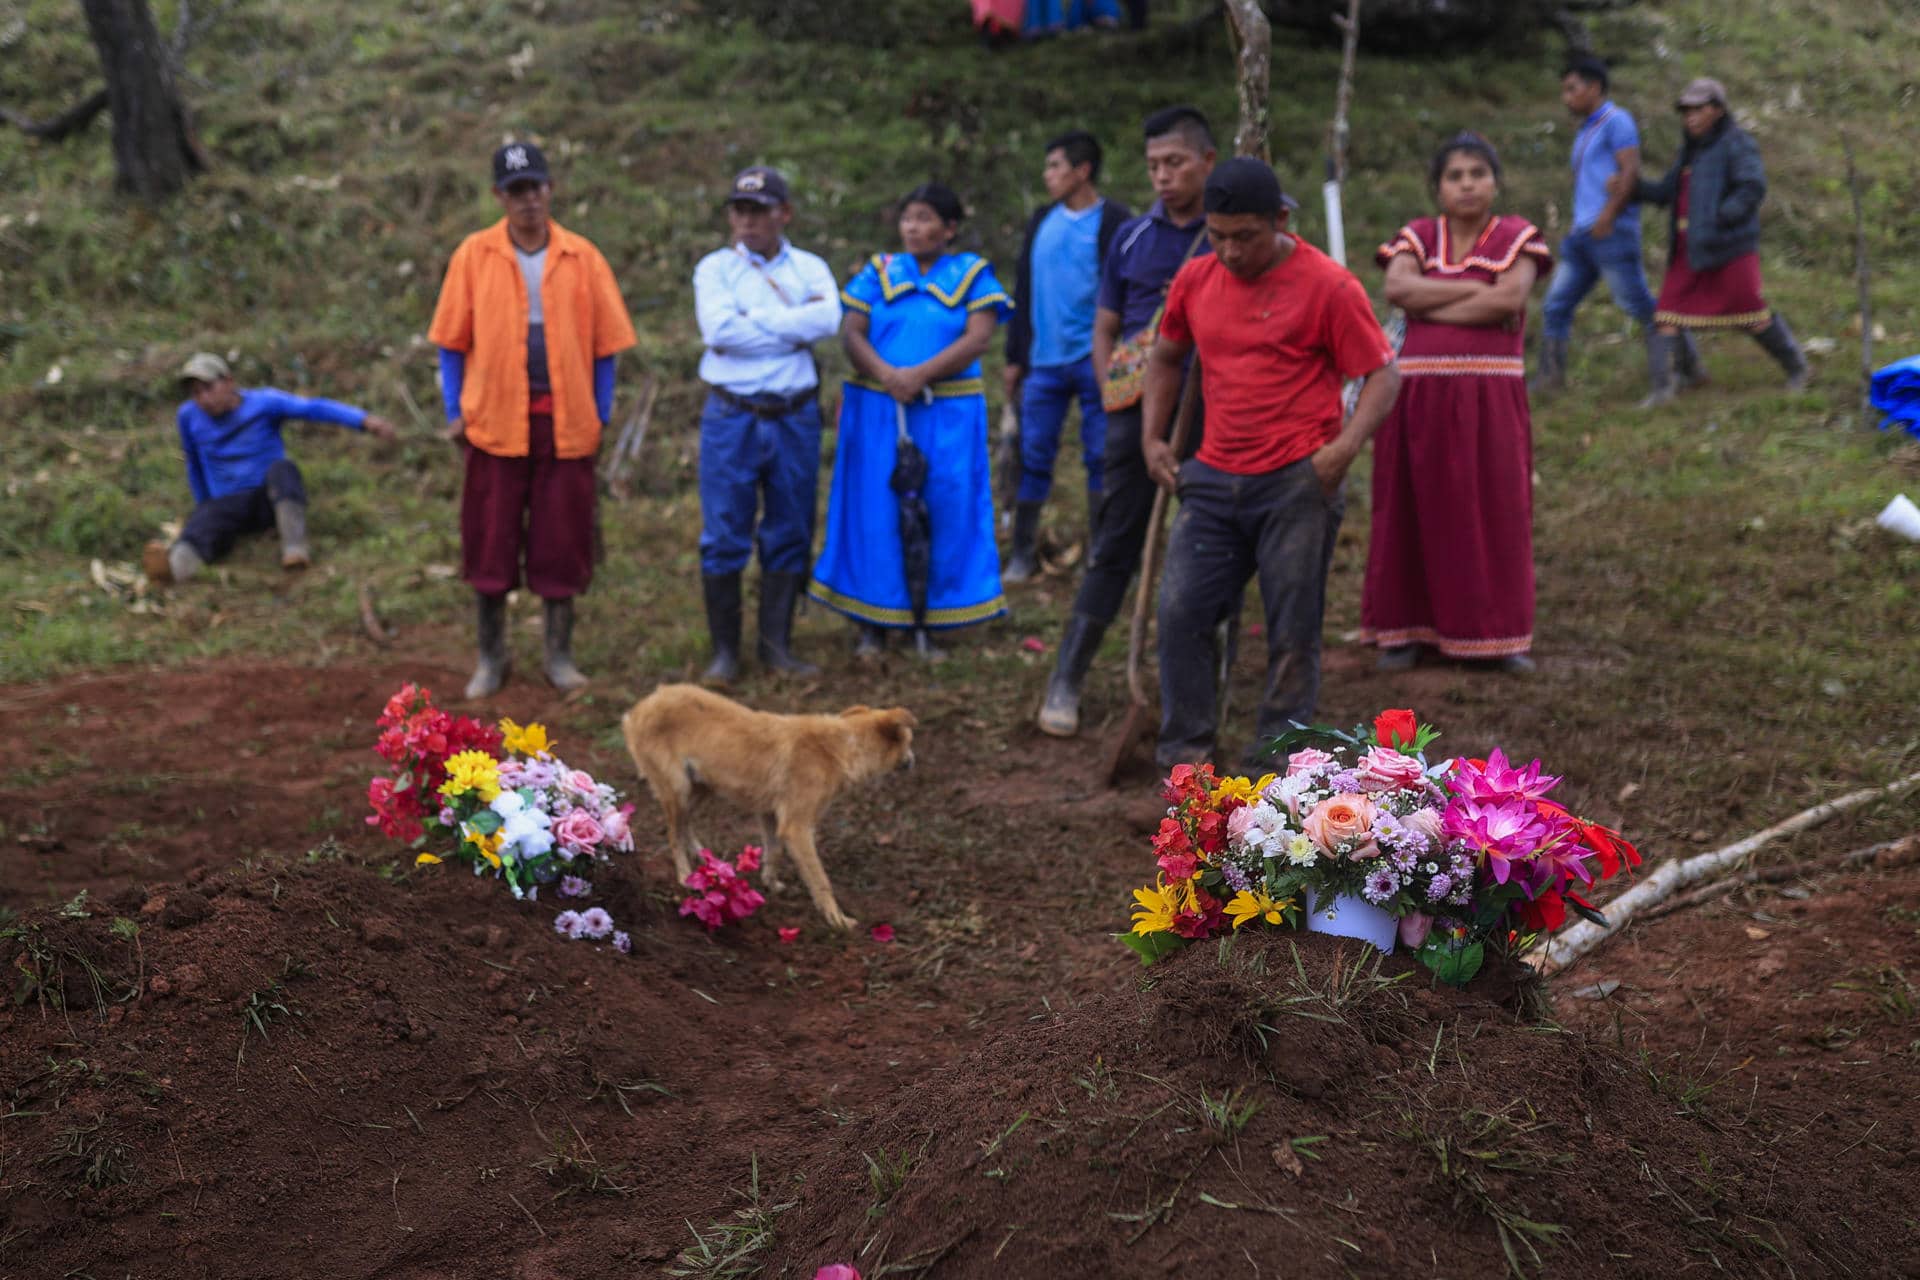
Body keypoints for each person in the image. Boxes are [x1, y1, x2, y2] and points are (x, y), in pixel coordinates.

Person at [1144, 157, 1399, 769]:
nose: (1229, 251)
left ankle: (1274, 769)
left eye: (1245, 237)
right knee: (1180, 612)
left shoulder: (1329, 286)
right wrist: (1153, 438)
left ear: (1280, 220)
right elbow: (1166, 355)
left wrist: (1342, 450)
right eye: (1218, 236)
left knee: (1292, 629)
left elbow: (1383, 374)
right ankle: (1188, 760)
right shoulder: (1197, 280)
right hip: (1211, 476)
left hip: (1296, 480)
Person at [429, 140, 636, 697]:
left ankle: (559, 656)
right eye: (516, 191)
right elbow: (452, 342)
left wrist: (602, 409)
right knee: (490, 541)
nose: (528, 201)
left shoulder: (582, 257)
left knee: (560, 540)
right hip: (495, 423)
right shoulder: (474, 255)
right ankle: (491, 657)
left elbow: (606, 346)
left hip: (564, 422)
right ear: (499, 196)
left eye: (536, 188)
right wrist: (456, 410)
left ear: (551, 190)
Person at [1036, 104, 1216, 737]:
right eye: (1153, 166)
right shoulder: (1132, 236)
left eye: (1175, 163)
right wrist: (1117, 386)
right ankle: (1067, 677)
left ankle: (1195, 688)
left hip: (1214, 411)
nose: (1163, 176)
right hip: (1136, 409)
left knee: (1208, 546)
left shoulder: (1228, 237)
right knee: (1115, 540)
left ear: (1207, 163)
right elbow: (1107, 323)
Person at [1362, 134, 1551, 675]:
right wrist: (1475, 291)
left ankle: (1496, 634)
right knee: (1408, 507)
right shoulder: (1419, 235)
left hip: (1489, 397)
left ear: (1494, 181)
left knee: (1492, 509)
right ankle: (1404, 631)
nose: (1467, 184)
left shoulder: (1518, 236)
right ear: (1438, 186)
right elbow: (1399, 289)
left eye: (1477, 173)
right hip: (1414, 395)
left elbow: (1510, 298)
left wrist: (1435, 293)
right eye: (1455, 175)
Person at [809, 182, 1011, 659]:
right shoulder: (878, 272)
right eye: (908, 218)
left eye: (924, 218)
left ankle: (933, 617)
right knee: (873, 508)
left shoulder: (973, 275)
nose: (913, 228)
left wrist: (918, 375)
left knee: (945, 504)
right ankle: (872, 619)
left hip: (946, 414)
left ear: (949, 228)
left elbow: (978, 339)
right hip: (877, 409)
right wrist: (888, 376)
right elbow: (852, 334)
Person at [692, 166, 843, 684]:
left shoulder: (810, 268)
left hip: (794, 415)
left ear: (785, 213)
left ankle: (777, 645)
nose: (748, 220)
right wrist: (790, 329)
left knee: (791, 525)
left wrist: (752, 327)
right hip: (732, 414)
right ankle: (726, 652)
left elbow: (828, 321)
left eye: (759, 210)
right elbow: (719, 331)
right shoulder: (714, 270)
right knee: (724, 530)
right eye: (740, 210)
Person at [142, 353, 396, 584]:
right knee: (202, 522)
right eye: (196, 393)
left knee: (284, 470)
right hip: (227, 504)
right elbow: (193, 463)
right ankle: (173, 570)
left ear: (229, 382)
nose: (203, 399)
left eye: (208, 388)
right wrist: (203, 505)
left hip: (268, 498)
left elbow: (313, 408)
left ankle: (295, 548)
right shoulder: (188, 416)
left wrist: (364, 420)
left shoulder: (264, 403)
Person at [1002, 129, 1131, 582]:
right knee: (1032, 453)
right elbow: (1023, 288)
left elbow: (1128, 290)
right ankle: (1022, 551)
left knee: (1102, 455)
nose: (1048, 175)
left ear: (1082, 171)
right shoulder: (1041, 221)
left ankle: (1104, 552)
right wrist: (1014, 356)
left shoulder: (1115, 221)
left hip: (1096, 360)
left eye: (1056, 166)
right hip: (1043, 361)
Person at [1628, 77, 1807, 402]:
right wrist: (1634, 187)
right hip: (1689, 250)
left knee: (1751, 315)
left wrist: (1721, 218)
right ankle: (1664, 389)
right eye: (1686, 111)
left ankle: (1797, 368)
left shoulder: (1736, 143)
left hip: (1729, 248)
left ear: (1718, 110)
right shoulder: (1689, 151)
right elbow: (1668, 191)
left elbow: (1751, 186)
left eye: (1698, 109)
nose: (1691, 117)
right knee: (1666, 316)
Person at [1534, 56, 1700, 405]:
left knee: (1638, 304)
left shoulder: (1617, 121)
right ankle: (1549, 379)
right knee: (1556, 305)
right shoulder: (1585, 130)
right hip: (1582, 237)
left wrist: (1608, 216)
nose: (1566, 97)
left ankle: (1672, 377)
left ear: (1595, 88)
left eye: (1572, 89)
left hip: (1611, 234)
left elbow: (1630, 172)